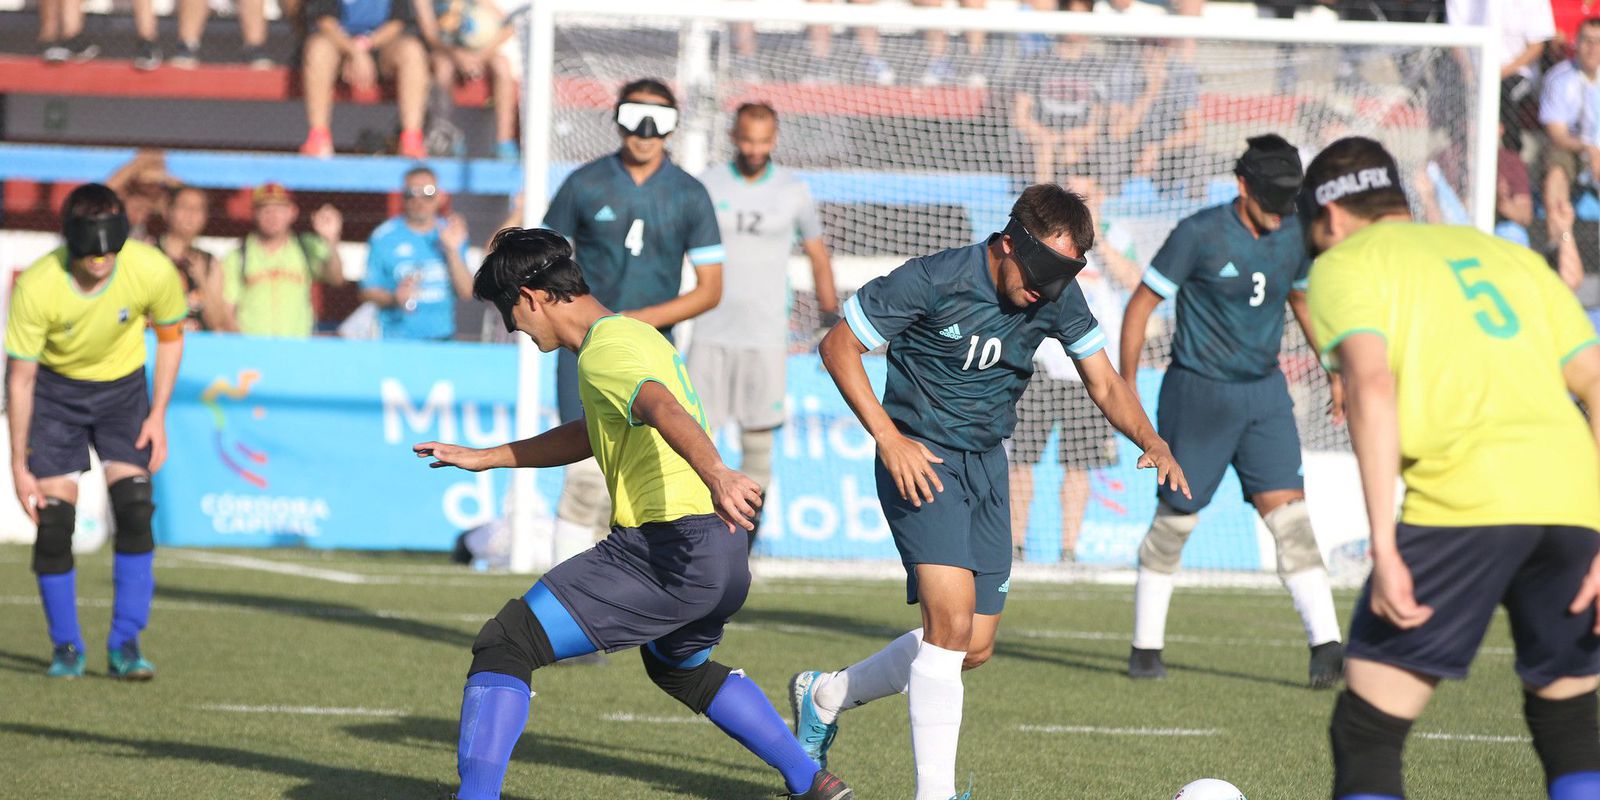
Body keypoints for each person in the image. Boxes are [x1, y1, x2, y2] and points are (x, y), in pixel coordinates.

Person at [412, 228, 855, 800]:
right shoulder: (632, 335)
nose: (512, 327)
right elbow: (593, 431)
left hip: (670, 548)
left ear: (532, 295)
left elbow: (659, 406)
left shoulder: (605, 352)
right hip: (721, 552)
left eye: (508, 310)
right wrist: (489, 457)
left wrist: (717, 472)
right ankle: (811, 781)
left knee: (507, 642)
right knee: (679, 668)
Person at [789, 184, 1187, 800]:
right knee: (947, 627)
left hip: (987, 469)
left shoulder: (1055, 293)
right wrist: (890, 440)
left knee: (971, 647)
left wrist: (1151, 440)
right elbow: (838, 345)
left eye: (1063, 274)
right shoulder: (931, 278)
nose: (1045, 289)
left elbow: (1105, 383)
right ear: (1008, 243)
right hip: (920, 461)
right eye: (1041, 271)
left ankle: (826, 695)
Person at [1304, 136, 1600, 800]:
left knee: (1368, 732)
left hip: (1464, 500)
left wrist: (1383, 545)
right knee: (1570, 721)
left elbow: (1372, 389)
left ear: (1327, 219)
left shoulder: (1345, 263)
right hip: (1574, 501)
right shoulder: (1512, 257)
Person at [1118, 135, 1345, 686]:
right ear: (1242, 185)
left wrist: (1333, 368)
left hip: (1265, 395)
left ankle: (1328, 648)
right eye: (1268, 201)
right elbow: (1141, 304)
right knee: (1176, 522)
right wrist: (1124, 385)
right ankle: (1146, 648)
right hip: (1198, 394)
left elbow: (1299, 297)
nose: (1277, 215)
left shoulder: (1294, 231)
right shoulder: (1198, 232)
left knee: (1291, 519)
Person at [4, 183, 187, 680]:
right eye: (91, 247)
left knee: (135, 509)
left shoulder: (150, 269)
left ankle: (126, 643)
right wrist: (19, 465)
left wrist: (158, 414)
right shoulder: (39, 285)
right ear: (71, 238)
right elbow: (20, 379)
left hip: (123, 393)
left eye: (111, 246)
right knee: (54, 525)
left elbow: (171, 339)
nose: (102, 259)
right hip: (56, 397)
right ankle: (66, 646)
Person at [541, 78, 724, 560]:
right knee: (583, 476)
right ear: (616, 118)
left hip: (650, 353)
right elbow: (540, 262)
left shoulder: (689, 194)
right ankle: (564, 596)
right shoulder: (583, 183)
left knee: (644, 479)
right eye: (633, 117)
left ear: (674, 126)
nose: (644, 131)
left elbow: (710, 289)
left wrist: (634, 320)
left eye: (658, 120)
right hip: (583, 350)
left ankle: (631, 591)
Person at [688, 102, 836, 538]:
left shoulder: (793, 191)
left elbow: (817, 254)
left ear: (774, 139)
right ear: (734, 136)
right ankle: (695, 540)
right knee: (695, 442)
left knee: (757, 446)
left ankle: (743, 550)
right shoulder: (706, 186)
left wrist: (829, 316)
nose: (755, 148)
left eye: (764, 140)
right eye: (748, 139)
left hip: (766, 336)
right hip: (709, 331)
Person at [1009, 174, 1140, 562]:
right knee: (1021, 460)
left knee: (1081, 465)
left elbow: (1133, 280)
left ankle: (1069, 550)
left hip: (1090, 369)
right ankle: (1015, 546)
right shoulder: (1047, 236)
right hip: (1043, 364)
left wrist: (1095, 238)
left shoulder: (1117, 234)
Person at [300, 0, 430, 158]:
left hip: (382, 46)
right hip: (338, 45)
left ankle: (411, 139)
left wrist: (366, 45)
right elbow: (325, 20)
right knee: (318, 49)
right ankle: (318, 137)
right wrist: (354, 51)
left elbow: (397, 22)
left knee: (412, 51)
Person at [361, 167, 474, 340]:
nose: (419, 200)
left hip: (442, 339)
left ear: (440, 197)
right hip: (397, 340)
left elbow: (466, 291)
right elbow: (367, 291)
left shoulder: (450, 233)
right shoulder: (384, 237)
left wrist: (452, 251)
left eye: (428, 193)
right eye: (411, 193)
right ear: (402, 197)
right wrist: (394, 298)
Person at [223, 183, 346, 338]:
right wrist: (241, 348)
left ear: (293, 212)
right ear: (254, 213)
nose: (273, 216)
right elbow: (227, 310)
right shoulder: (238, 255)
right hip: (253, 349)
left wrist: (331, 241)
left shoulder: (306, 247)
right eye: (265, 209)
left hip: (297, 349)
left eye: (280, 209)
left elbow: (336, 278)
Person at [1009, 29, 1109, 186]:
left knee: (1071, 152)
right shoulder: (1035, 62)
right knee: (1044, 148)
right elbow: (1020, 117)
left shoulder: (1096, 67)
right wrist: (1046, 136)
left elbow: (1095, 126)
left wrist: (1066, 138)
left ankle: (1077, 204)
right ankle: (1043, 204)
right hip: (1040, 139)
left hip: (1078, 142)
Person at [157, 185, 234, 332]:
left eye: (198, 208)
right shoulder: (150, 254)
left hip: (198, 347)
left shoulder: (209, 262)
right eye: (184, 206)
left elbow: (217, 322)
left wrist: (201, 280)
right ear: (168, 211)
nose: (191, 214)